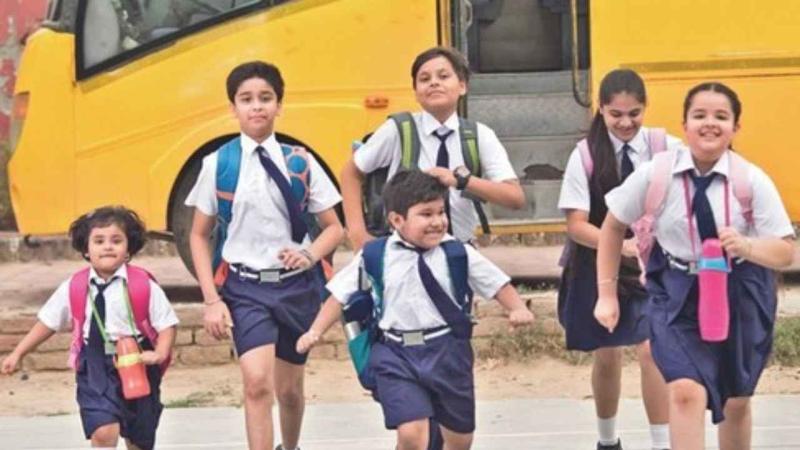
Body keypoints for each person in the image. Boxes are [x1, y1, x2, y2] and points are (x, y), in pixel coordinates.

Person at [595, 82, 795, 449]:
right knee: (685, 391)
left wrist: (748, 246)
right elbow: (613, 225)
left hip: (740, 289)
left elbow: (785, 251)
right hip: (675, 290)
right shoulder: (657, 174)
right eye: (699, 115)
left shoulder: (750, 179)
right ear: (684, 125)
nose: (710, 124)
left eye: (721, 116)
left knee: (735, 401)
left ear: (736, 126)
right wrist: (606, 294)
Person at [296, 170, 534, 450]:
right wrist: (314, 331)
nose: (437, 222)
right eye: (426, 214)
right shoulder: (375, 255)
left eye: (441, 212)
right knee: (412, 434)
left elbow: (497, 284)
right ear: (397, 220)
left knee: (459, 440)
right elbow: (339, 295)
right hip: (395, 353)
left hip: (447, 351)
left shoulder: (457, 253)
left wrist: (518, 308)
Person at [185, 61, 345, 450]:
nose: (256, 106)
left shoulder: (301, 161)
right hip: (245, 288)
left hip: (295, 288)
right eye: (246, 99)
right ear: (233, 108)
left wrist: (309, 255)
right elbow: (199, 235)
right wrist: (211, 299)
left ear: (279, 105)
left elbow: (334, 228)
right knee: (257, 384)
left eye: (265, 98)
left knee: (289, 391)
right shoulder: (218, 164)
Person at [557, 69, 676, 450]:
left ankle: (661, 443)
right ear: (601, 109)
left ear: (646, 108)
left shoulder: (666, 148)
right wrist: (619, 246)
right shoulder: (585, 155)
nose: (626, 123)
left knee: (652, 350)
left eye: (634, 113)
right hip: (600, 263)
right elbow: (576, 225)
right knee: (607, 355)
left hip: (653, 268)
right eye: (616, 114)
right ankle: (607, 440)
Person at [0, 206, 178, 450]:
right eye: (99, 241)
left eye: (116, 241)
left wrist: (159, 353)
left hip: (137, 361)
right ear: (86, 249)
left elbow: (167, 324)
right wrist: (18, 352)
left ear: (129, 249)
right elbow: (48, 322)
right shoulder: (75, 286)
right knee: (103, 431)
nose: (108, 247)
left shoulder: (142, 285)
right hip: (95, 364)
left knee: (139, 438)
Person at [341, 46, 525, 249]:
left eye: (444, 76)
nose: (434, 83)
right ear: (416, 93)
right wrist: (358, 234)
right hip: (403, 250)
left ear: (462, 86)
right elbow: (351, 172)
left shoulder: (479, 135)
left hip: (459, 248)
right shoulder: (398, 129)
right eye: (424, 79)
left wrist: (462, 181)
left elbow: (514, 197)